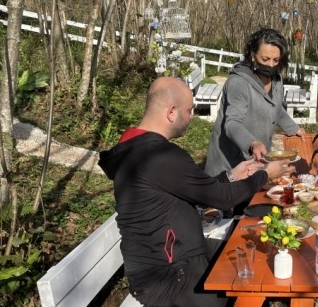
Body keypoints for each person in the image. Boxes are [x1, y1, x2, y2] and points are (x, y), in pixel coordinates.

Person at [98, 77, 295, 307]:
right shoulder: (159, 156)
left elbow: (195, 190)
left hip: (182, 255)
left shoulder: (138, 150)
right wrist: (264, 175)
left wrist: (232, 175)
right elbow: (221, 199)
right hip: (167, 276)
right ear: (171, 112)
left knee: (254, 251)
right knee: (246, 278)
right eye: (189, 110)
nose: (191, 116)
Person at [205, 27, 306, 178]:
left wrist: (293, 128)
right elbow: (232, 123)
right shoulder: (238, 82)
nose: (271, 65)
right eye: (265, 59)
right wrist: (253, 143)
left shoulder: (276, 80)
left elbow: (276, 107)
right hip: (229, 165)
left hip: (256, 162)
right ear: (252, 56)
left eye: (276, 60)